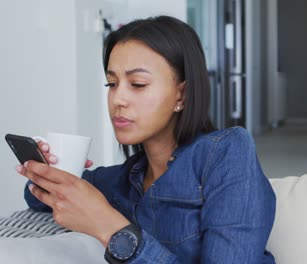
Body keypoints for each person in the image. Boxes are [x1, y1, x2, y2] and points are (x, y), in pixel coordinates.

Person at [16, 15, 276, 263]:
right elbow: (37, 199)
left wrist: (110, 226)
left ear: (182, 95)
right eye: (112, 84)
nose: (118, 99)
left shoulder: (226, 153)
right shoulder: (118, 181)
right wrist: (49, 169)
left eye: (138, 84)